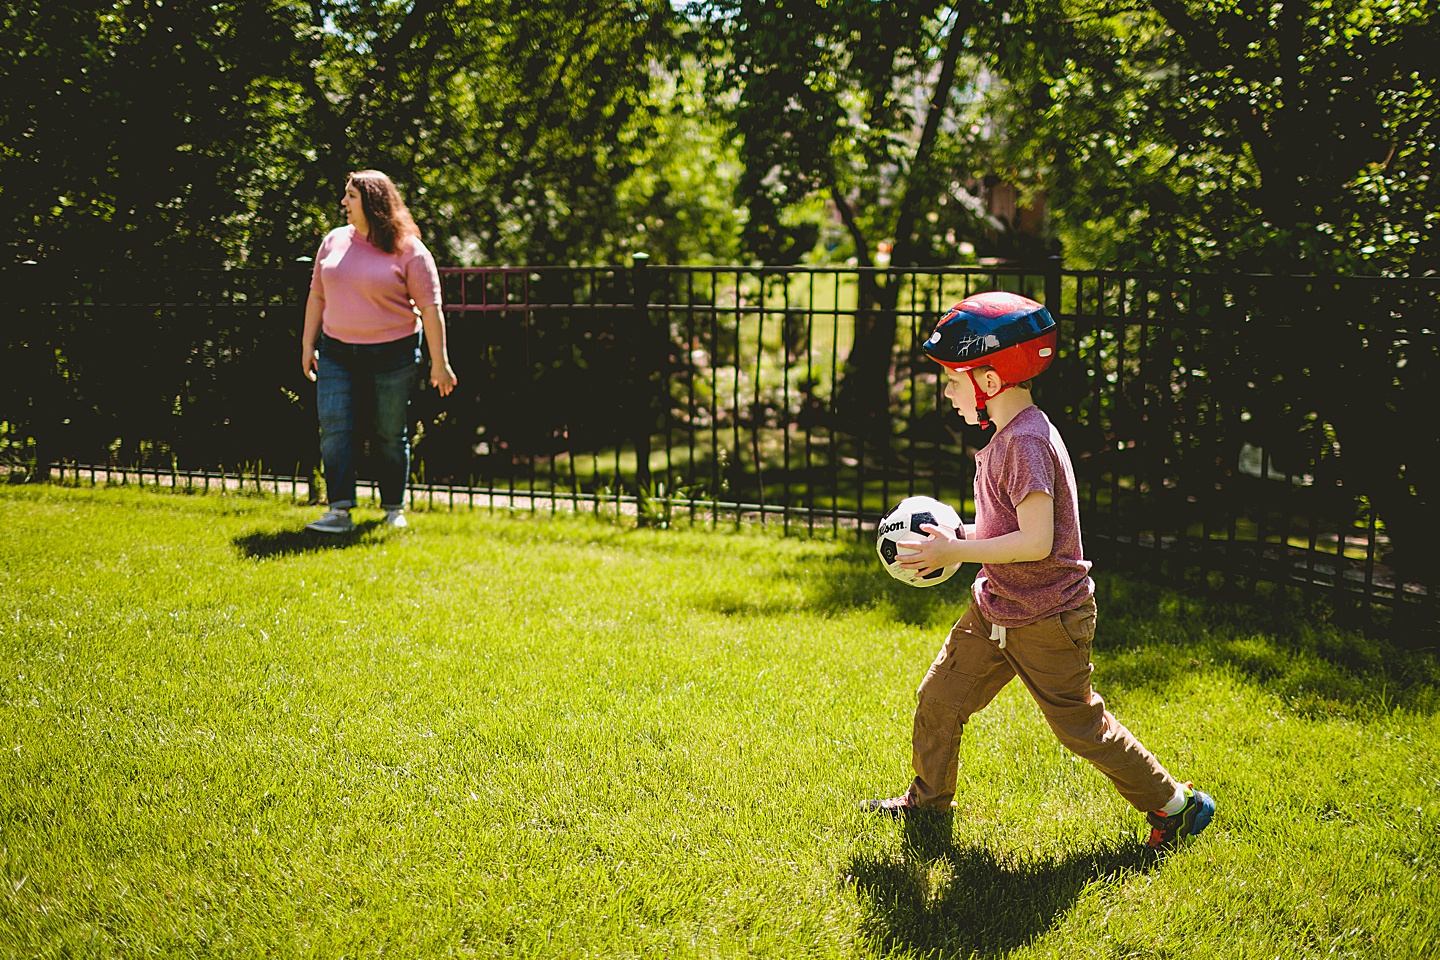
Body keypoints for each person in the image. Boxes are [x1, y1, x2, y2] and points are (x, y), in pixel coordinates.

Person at [863, 291, 1214, 852]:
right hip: (997, 606)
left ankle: (1178, 806)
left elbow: (1035, 542)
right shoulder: (1006, 436)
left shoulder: (1025, 441)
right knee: (940, 699)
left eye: (953, 380)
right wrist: (958, 540)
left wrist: (957, 553)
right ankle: (928, 804)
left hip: (1049, 617)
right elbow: (1006, 530)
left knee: (1078, 725)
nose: (947, 392)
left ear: (990, 381)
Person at [300, 169, 457, 533]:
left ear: (372, 202)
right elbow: (317, 294)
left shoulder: (409, 249)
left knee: (389, 432)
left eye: (351, 196)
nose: (343, 203)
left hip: (393, 354)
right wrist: (308, 343)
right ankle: (339, 511)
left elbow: (430, 308)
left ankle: (393, 508)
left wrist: (440, 362)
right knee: (335, 427)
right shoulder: (334, 241)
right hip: (337, 351)